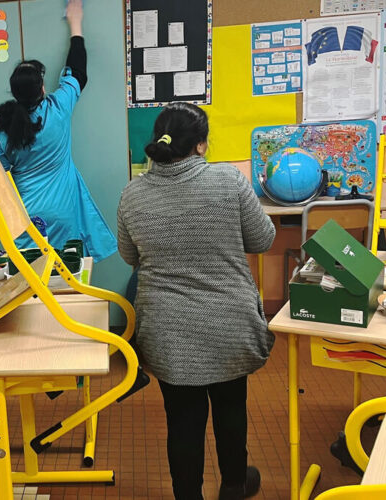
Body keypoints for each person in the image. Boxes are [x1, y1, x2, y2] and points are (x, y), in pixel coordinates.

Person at [116, 103, 276, 500]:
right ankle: (235, 486)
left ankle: (188, 494)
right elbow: (263, 240)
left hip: (169, 332)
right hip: (229, 324)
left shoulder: (133, 193)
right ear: (201, 145)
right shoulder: (228, 181)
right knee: (231, 407)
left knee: (183, 421)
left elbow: (129, 256)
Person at [0, 0, 116, 262]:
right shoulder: (58, 108)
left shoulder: (3, 126)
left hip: (26, 216)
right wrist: (75, 24)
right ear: (43, 88)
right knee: (67, 274)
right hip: (63, 211)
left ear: (14, 93)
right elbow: (78, 72)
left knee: (34, 281)